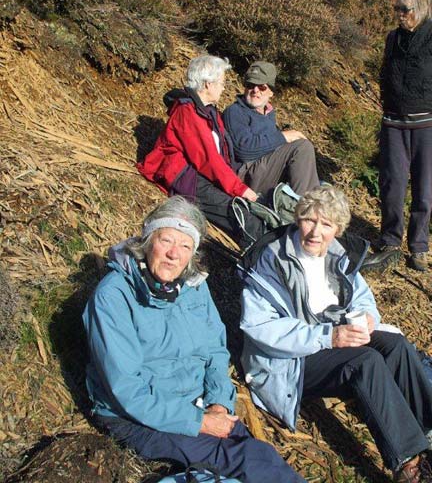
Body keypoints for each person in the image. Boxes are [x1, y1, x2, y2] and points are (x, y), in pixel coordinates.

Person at [83, 196, 306, 483]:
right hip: (137, 417)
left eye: (185, 246)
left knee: (261, 456)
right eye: (166, 240)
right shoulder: (113, 298)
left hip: (196, 403)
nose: (174, 254)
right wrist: (201, 422)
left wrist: (219, 404)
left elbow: (215, 350)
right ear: (148, 239)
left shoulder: (192, 286)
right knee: (247, 461)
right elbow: (127, 391)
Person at [239, 185, 432, 482]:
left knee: (396, 345)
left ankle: (427, 430)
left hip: (333, 335)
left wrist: (368, 318)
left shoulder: (339, 255)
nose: (315, 232)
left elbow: (362, 297)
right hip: (291, 358)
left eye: (326, 224)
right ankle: (407, 463)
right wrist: (328, 337)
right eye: (309, 220)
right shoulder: (273, 260)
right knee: (365, 362)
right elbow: (260, 327)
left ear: (338, 230)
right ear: (297, 217)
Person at [137, 54, 264, 248]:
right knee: (241, 216)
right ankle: (260, 255)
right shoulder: (187, 113)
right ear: (207, 84)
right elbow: (208, 159)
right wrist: (240, 189)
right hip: (185, 177)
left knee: (253, 210)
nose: (223, 88)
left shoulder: (209, 112)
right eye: (221, 83)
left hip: (203, 176)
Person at [378, 0, 432, 272]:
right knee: (392, 184)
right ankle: (390, 240)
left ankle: (419, 246)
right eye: (396, 8)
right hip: (393, 123)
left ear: (420, 9)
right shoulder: (392, 38)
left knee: (424, 189)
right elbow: (384, 72)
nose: (399, 14)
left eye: (404, 9)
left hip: (427, 126)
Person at [223, 61, 320, 198]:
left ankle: (310, 204)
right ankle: (306, 210)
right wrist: (283, 137)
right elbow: (244, 150)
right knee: (302, 148)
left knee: (317, 181)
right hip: (246, 176)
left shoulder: (268, 115)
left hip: (264, 170)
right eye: (251, 85)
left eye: (261, 87)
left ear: (271, 92)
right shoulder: (235, 111)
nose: (255, 90)